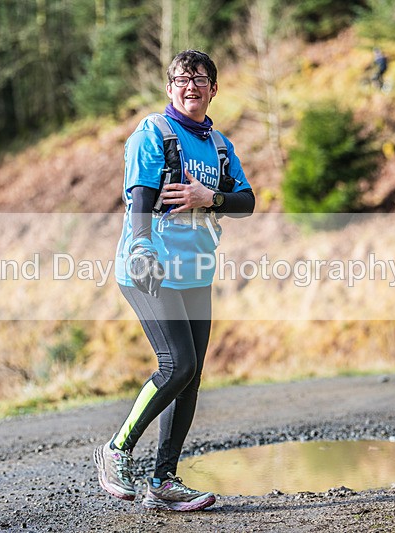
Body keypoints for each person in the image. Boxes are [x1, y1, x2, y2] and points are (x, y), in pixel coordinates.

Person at [93, 50, 254, 512]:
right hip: (151, 267)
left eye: (200, 79)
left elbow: (246, 201)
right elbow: (140, 195)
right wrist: (142, 246)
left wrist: (210, 196)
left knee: (192, 377)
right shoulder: (154, 132)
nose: (191, 86)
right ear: (170, 88)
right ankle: (116, 450)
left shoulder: (220, 145)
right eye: (182, 79)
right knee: (177, 364)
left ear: (213, 89)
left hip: (195, 273)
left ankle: (163, 481)